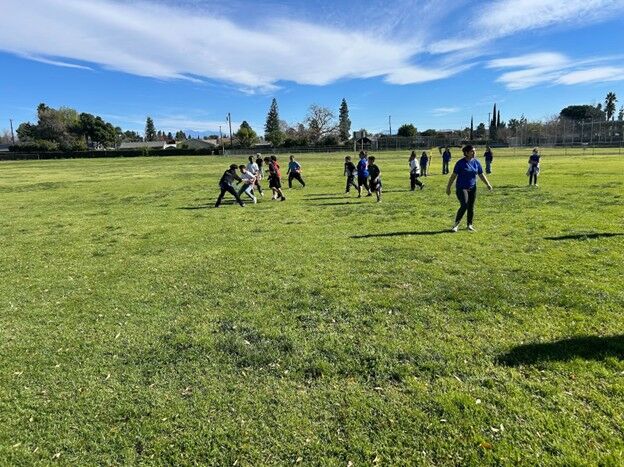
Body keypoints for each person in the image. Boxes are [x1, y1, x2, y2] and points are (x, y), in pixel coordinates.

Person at [446, 145, 492, 232]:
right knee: (464, 205)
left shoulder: (476, 162)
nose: (474, 153)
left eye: (474, 151)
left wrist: (488, 184)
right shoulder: (460, 163)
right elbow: (453, 176)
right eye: (472, 151)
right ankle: (455, 225)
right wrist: (448, 187)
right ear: (466, 153)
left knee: (471, 207)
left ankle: (469, 225)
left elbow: (481, 174)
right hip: (461, 188)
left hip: (472, 187)